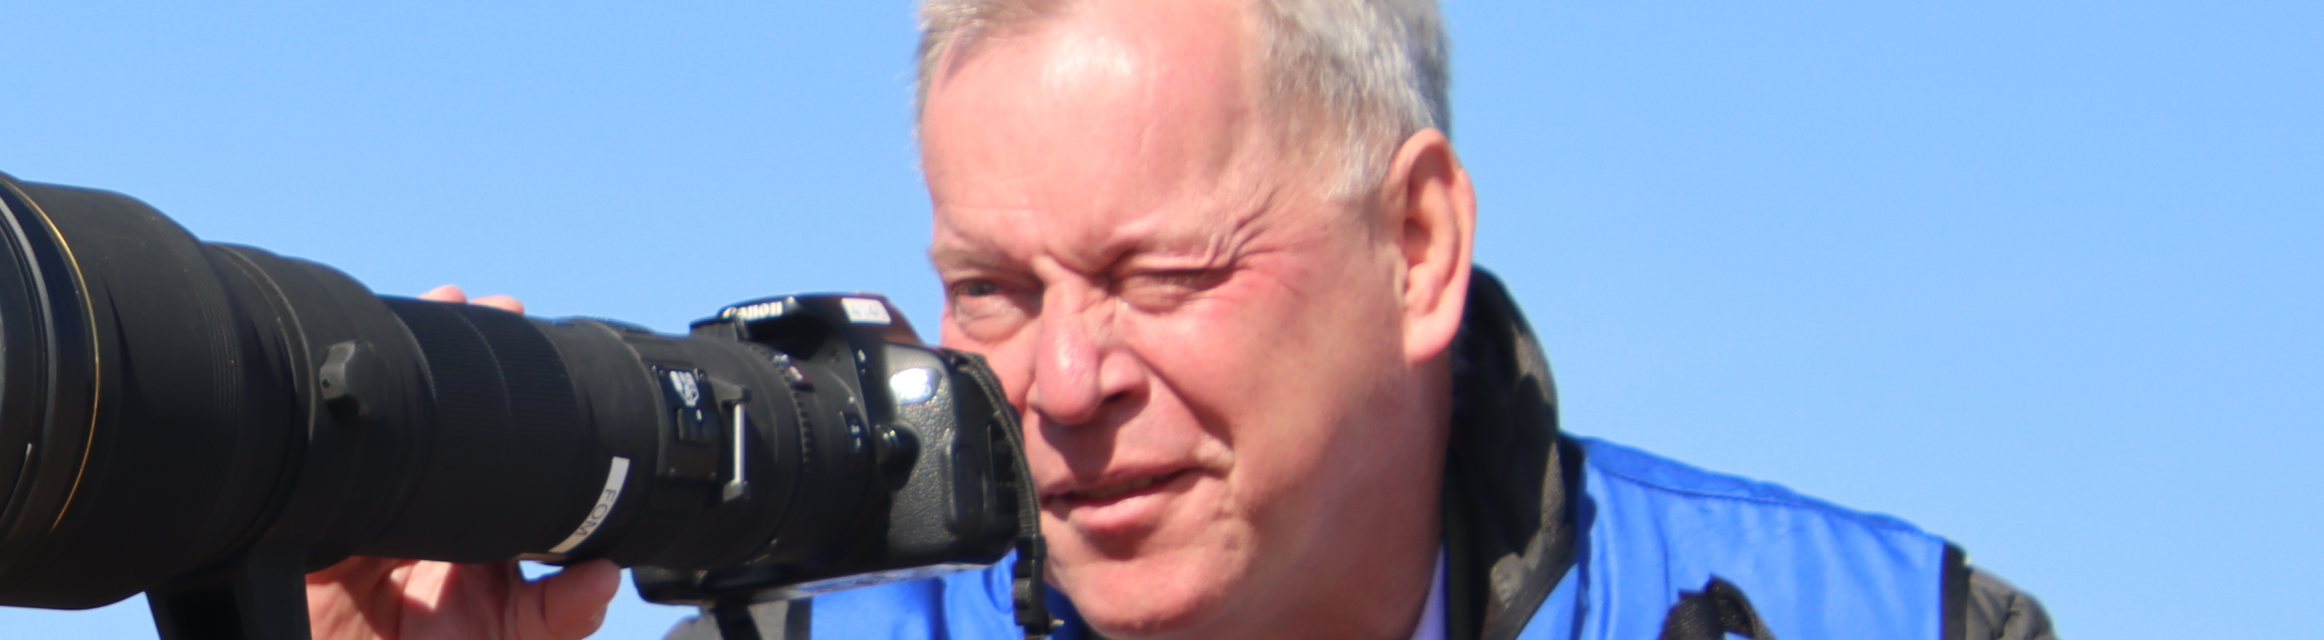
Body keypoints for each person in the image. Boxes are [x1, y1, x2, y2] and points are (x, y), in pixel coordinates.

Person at [313, 1, 2059, 639]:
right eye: (995, 290)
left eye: (1166, 278)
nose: (1065, 382)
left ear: (1419, 244)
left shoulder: (1879, 626)